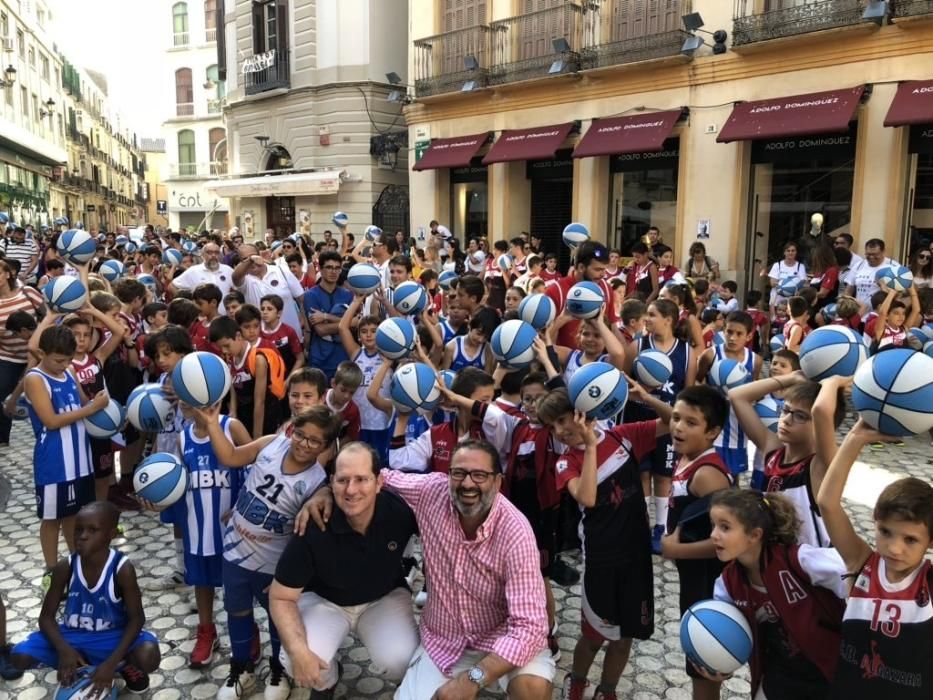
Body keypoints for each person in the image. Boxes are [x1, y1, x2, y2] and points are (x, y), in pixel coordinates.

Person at [301, 439, 555, 700]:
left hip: (502, 637)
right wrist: (325, 491)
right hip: (444, 639)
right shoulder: (430, 491)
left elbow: (530, 628)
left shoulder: (515, 531)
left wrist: (473, 679)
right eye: (459, 473)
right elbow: (375, 476)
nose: (467, 483)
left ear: (498, 481)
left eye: (479, 475)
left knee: (532, 689)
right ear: (449, 475)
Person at [537, 385, 670, 700]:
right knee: (594, 637)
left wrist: (646, 399)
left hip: (636, 557)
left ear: (584, 411)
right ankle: (577, 681)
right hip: (601, 559)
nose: (560, 430)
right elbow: (588, 497)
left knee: (625, 638)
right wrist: (588, 444)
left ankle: (606, 691)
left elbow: (673, 421)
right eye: (552, 426)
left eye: (563, 419)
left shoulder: (624, 435)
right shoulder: (565, 462)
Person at [197, 404, 337, 700]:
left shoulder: (315, 481)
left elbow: (325, 502)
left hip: (272, 563)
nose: (304, 444)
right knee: (236, 611)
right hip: (235, 550)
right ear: (292, 429)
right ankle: (241, 669)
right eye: (301, 434)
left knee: (277, 617)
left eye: (315, 441)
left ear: (326, 447)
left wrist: (325, 493)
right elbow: (232, 456)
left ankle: (278, 670)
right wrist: (211, 424)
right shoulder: (271, 444)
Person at [270, 442, 419, 697]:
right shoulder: (314, 521)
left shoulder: (400, 512)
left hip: (383, 597)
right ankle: (327, 681)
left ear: (379, 482)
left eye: (362, 479)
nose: (351, 490)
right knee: (299, 660)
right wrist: (298, 650)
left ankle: (408, 688)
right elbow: (281, 596)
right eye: (343, 480)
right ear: (331, 482)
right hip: (326, 601)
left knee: (403, 659)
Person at [816, 418, 933, 700]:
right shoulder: (862, 562)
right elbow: (827, 503)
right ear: (874, 522)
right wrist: (855, 439)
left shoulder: (928, 583)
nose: (894, 548)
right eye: (885, 532)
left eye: (910, 540)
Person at [10, 502, 161, 695]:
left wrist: (112, 662)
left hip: (111, 636)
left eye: (92, 530)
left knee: (148, 655)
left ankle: (122, 666)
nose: (82, 536)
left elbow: (137, 619)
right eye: (78, 530)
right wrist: (64, 650)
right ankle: (78, 662)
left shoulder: (121, 569)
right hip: (72, 636)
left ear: (111, 534)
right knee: (19, 657)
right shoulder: (66, 566)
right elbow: (46, 618)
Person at [708, 490, 847, 700]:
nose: (713, 535)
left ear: (755, 535)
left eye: (725, 527)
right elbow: (727, 637)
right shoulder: (727, 585)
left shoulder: (800, 560)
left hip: (830, 674)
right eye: (713, 526)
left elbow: (859, 575)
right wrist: (722, 663)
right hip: (779, 677)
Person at [660, 386, 733, 700]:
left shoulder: (707, 475)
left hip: (708, 582)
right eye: (676, 418)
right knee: (696, 659)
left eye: (691, 423)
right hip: (693, 576)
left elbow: (732, 540)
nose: (678, 426)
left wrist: (676, 550)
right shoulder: (689, 455)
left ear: (713, 432)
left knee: (704, 663)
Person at [24, 324, 109, 581]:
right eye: (58, 360)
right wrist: (93, 409)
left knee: (75, 515)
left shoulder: (70, 371)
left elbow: (84, 402)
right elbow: (51, 421)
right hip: (54, 462)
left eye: (67, 360)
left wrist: (106, 409)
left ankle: (77, 563)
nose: (63, 365)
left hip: (81, 460)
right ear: (42, 353)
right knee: (52, 518)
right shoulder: (35, 379)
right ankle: (51, 571)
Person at [729, 372, 843, 547]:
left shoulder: (820, 465)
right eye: (786, 410)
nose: (787, 420)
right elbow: (737, 396)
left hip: (810, 569)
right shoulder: (773, 449)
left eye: (800, 416)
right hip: (775, 558)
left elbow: (821, 411)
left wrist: (833, 382)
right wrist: (791, 378)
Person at [697, 311, 762, 476]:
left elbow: (753, 389)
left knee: (733, 480)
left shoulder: (755, 360)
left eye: (739, 334)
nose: (733, 337)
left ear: (748, 336)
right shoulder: (710, 355)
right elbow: (696, 381)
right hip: (711, 425)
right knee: (709, 474)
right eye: (729, 332)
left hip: (737, 429)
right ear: (723, 332)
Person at [0, 258, 45, 447]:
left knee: (41, 395)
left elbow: (47, 313)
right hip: (7, 356)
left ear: (8, 274)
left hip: (37, 354)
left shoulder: (28, 292)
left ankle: (44, 432)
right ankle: (2, 438)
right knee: (1, 394)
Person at [546, 242, 619, 347]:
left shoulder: (606, 289)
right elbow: (543, 338)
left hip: (598, 362)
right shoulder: (556, 291)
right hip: (565, 361)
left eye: (604, 269)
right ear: (581, 267)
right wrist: (562, 320)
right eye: (598, 269)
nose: (603, 274)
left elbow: (613, 327)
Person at [233, 243, 306, 335]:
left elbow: (302, 299)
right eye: (245, 259)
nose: (252, 261)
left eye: (253, 256)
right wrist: (250, 259)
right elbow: (235, 277)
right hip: (263, 340)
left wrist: (305, 325)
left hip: (292, 336)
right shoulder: (244, 280)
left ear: (259, 255)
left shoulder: (281, 270)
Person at [303, 251, 353, 381]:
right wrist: (346, 323)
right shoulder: (311, 295)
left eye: (337, 268)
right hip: (320, 358)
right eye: (329, 267)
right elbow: (321, 330)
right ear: (320, 268)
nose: (333, 272)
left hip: (343, 356)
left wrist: (326, 316)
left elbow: (357, 323)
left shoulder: (348, 295)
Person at [168, 242, 235, 314]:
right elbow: (172, 286)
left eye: (216, 253)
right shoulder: (193, 271)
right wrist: (187, 306)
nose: (213, 255)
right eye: (209, 252)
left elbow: (238, 290)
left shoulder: (228, 270)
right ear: (202, 255)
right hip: (201, 320)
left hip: (225, 319)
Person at [844, 238, 896, 310]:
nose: (871, 257)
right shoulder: (859, 265)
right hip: (859, 314)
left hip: (879, 314)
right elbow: (849, 290)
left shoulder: (893, 267)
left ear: (883, 251)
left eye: (875, 254)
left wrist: (882, 285)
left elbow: (897, 295)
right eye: (868, 254)